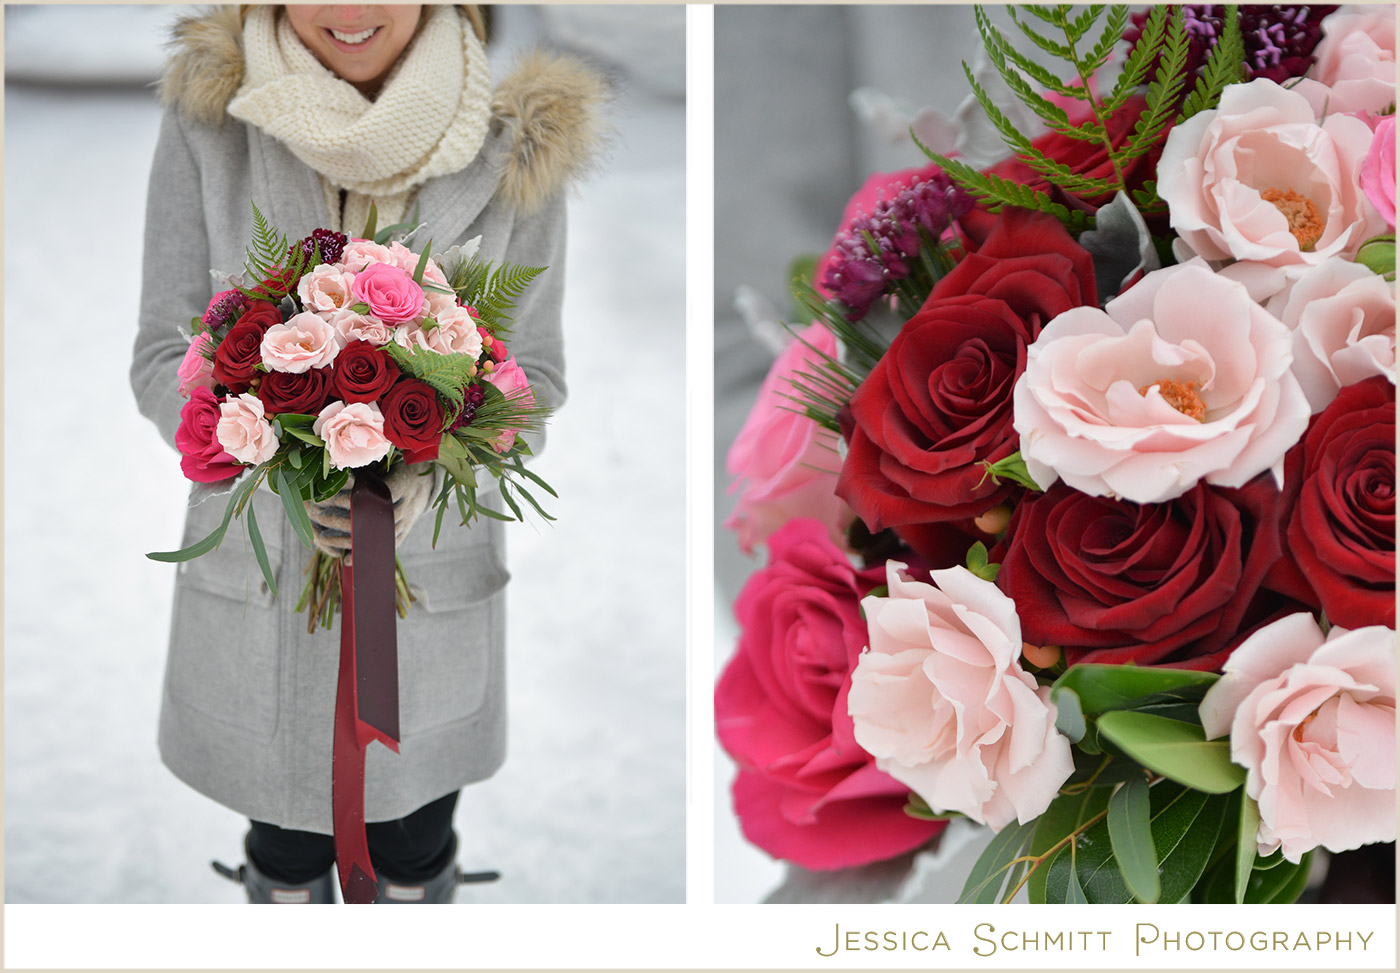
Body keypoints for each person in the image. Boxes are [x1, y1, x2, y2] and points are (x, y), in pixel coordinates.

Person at [129, 4, 606, 903]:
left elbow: (531, 372)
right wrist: (267, 444)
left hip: (429, 589)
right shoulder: (210, 120)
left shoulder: (521, 145)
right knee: (286, 843)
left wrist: (436, 465)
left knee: (415, 838)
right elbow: (163, 351)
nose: (350, 12)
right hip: (262, 583)